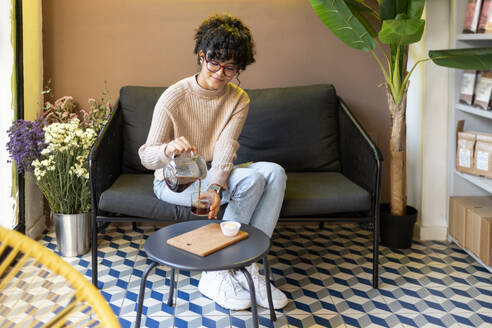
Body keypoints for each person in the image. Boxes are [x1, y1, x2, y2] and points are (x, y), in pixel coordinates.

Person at [138, 13, 288, 311]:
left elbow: (225, 147)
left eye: (230, 67)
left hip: (212, 175)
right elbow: (146, 156)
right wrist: (168, 148)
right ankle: (217, 273)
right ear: (202, 55)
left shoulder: (238, 99)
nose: (220, 73)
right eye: (214, 62)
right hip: (176, 181)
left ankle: (248, 269)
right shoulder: (174, 97)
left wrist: (216, 187)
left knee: (274, 172)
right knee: (252, 179)